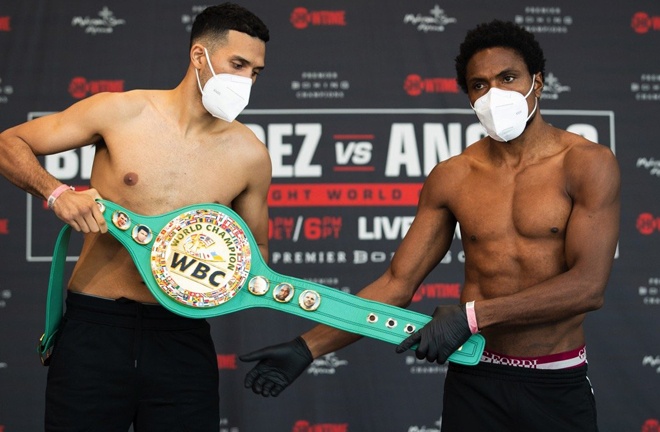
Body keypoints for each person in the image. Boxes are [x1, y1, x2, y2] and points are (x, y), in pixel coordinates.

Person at [239, 20, 620, 432]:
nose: (495, 94)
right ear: (469, 97)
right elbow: (396, 284)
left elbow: (587, 286)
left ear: (538, 83)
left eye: (508, 78)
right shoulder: (453, 176)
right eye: (480, 85)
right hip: (476, 379)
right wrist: (306, 348)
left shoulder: (586, 163)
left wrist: (471, 317)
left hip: (555, 381)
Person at [0, 3, 271, 431]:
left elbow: (257, 251)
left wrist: (217, 265)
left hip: (181, 339)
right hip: (96, 329)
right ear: (199, 56)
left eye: (255, 72)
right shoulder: (120, 112)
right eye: (237, 64)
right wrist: (57, 194)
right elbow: (8, 144)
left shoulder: (250, 155)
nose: (246, 81)